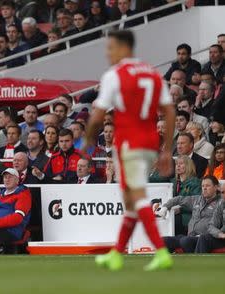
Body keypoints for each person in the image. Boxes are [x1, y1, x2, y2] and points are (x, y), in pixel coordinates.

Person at [85, 30, 176, 271]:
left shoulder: (115, 75)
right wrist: (166, 149)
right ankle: (116, 254)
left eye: (110, 48)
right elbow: (169, 111)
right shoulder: (153, 73)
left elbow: (97, 115)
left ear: (124, 48)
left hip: (128, 144)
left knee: (137, 196)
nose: (108, 53)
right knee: (130, 201)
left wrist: (86, 139)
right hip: (149, 143)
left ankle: (161, 251)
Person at [156, 176, 221, 253]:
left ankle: (194, 262)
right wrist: (165, 207)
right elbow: (178, 199)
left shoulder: (220, 203)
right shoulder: (196, 200)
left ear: (216, 187)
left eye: (207, 186)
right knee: (164, 241)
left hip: (205, 238)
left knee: (186, 241)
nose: (204, 188)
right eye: (203, 186)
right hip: (190, 236)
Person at [195, 182, 225, 253]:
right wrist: (221, 234)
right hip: (223, 237)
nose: (223, 195)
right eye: (222, 192)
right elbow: (211, 226)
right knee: (204, 238)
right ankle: (197, 263)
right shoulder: (221, 204)